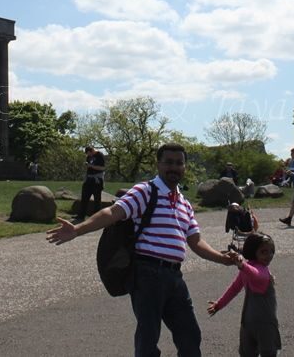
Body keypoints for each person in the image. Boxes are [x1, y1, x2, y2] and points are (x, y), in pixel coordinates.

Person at [47, 143, 238, 357]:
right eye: (168, 162)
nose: (174, 167)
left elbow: (196, 242)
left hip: (175, 277)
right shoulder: (146, 191)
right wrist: (77, 230)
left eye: (179, 163)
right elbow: (112, 212)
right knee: (148, 338)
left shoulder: (184, 203)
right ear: (158, 164)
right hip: (147, 274)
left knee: (190, 336)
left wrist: (223, 258)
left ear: (184, 167)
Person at [207, 232, 282, 357]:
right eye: (264, 252)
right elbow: (236, 287)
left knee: (259, 352)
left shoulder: (259, 270)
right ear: (253, 252)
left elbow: (254, 275)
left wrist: (242, 265)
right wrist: (219, 304)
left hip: (257, 323)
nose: (269, 255)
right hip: (256, 323)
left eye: (271, 251)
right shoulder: (253, 270)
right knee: (256, 352)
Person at [76, 146, 106, 222]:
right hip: (88, 179)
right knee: (84, 197)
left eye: (89, 153)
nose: (89, 155)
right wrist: (87, 165)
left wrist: (91, 166)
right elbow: (89, 167)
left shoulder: (100, 156)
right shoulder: (88, 157)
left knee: (97, 199)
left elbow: (102, 168)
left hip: (97, 180)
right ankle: (81, 216)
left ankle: (97, 217)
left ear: (92, 150)